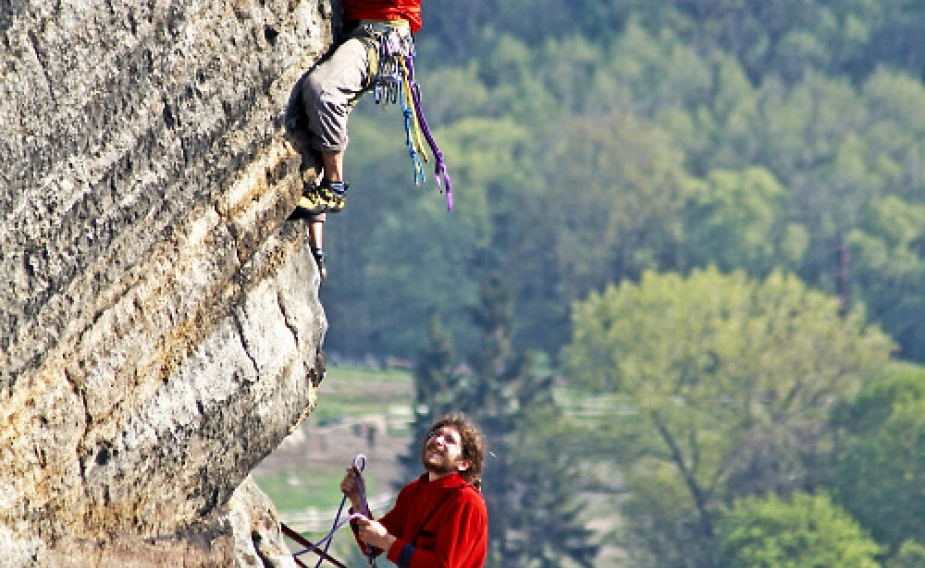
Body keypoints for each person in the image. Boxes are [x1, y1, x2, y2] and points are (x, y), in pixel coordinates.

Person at [296, 0, 424, 283]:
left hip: (380, 35)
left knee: (324, 92)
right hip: (364, 30)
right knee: (315, 123)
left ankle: (334, 187)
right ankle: (316, 245)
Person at [340, 414, 488, 568]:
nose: (438, 440)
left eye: (449, 440)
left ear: (464, 463)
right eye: (436, 435)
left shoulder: (467, 501)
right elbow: (372, 545)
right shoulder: (412, 492)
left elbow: (443, 565)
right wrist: (358, 501)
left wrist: (387, 541)